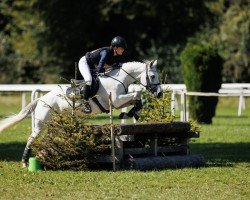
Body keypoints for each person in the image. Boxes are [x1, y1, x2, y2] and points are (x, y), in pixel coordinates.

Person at [78, 36, 127, 113]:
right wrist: (111, 67)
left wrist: (112, 67)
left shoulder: (111, 54)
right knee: (88, 80)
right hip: (84, 63)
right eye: (122, 48)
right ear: (115, 47)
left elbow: (105, 67)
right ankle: (85, 103)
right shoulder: (106, 53)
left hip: (91, 65)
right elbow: (99, 70)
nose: (123, 49)